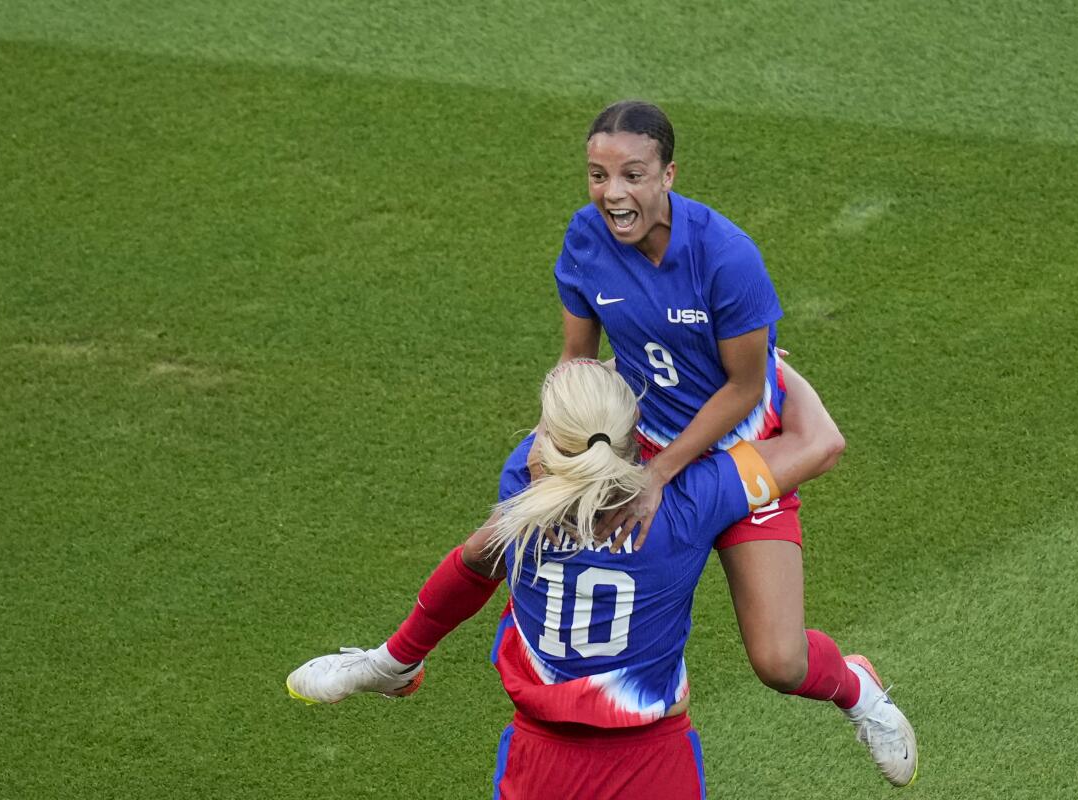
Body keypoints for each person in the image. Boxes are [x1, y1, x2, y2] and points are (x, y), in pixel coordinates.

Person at [290, 99, 918, 788]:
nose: (613, 193)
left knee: (779, 663)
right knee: (497, 540)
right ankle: (393, 661)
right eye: (597, 175)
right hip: (635, 444)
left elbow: (743, 389)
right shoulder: (585, 241)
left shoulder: (726, 256)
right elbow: (578, 359)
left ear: (668, 174)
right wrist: (551, 442)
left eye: (632, 174)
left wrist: (664, 473)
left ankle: (857, 688)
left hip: (737, 448)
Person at [288, 360, 917, 798]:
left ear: (550, 444)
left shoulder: (522, 484)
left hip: (540, 755)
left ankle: (392, 663)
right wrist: (764, 366)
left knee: (483, 550)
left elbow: (477, 560)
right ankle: (391, 663)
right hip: (652, 755)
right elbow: (822, 441)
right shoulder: (692, 500)